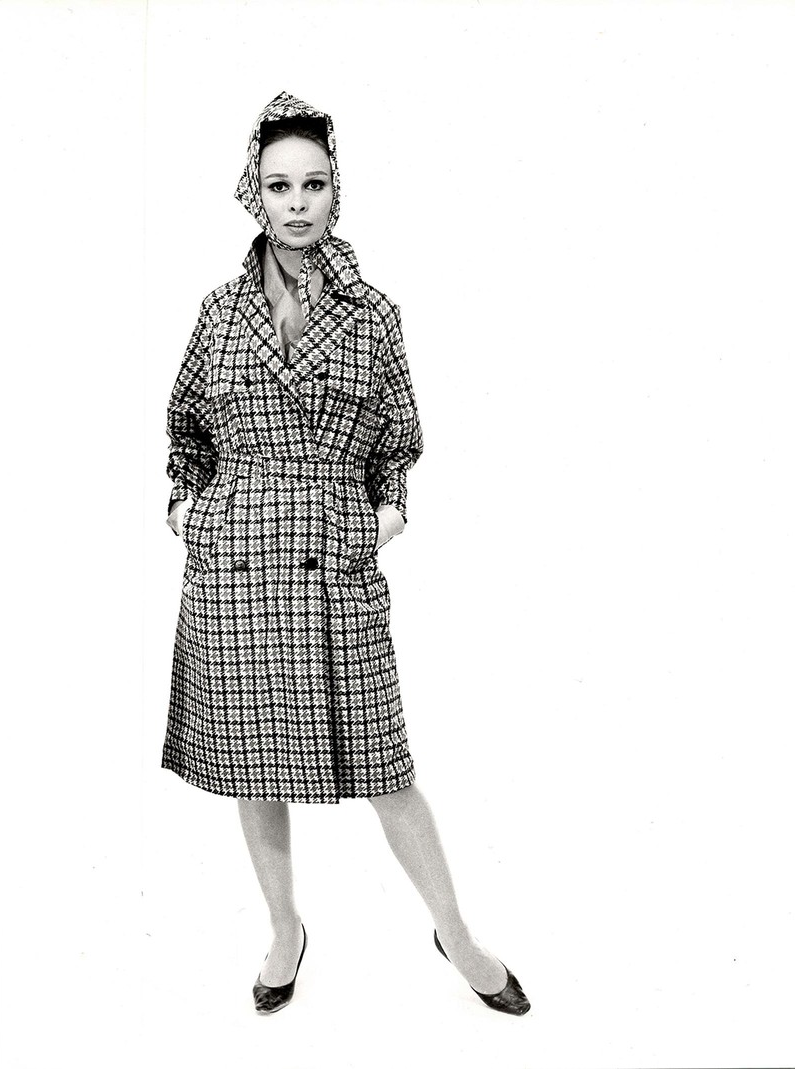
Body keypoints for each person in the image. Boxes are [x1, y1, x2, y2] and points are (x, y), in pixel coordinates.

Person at [163, 90, 530, 1017]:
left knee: (385, 766)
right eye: (278, 184)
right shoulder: (218, 313)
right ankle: (283, 928)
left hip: (333, 556)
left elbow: (400, 439)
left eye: (315, 184)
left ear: (337, 191)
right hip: (237, 562)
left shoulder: (374, 316)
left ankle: (456, 932)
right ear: (252, 191)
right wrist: (186, 509)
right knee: (250, 760)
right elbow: (186, 429)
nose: (297, 203)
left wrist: (384, 519)